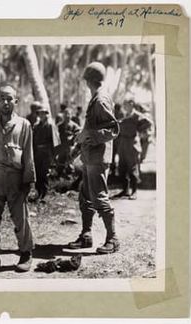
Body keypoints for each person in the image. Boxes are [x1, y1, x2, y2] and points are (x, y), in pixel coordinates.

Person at [0, 84, 36, 272]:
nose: (6, 102)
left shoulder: (24, 125)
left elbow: (28, 154)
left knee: (21, 218)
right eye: (2, 98)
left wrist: (28, 180)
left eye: (9, 98)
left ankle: (26, 254)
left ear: (16, 102)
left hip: (15, 178)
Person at [67, 62, 120, 254]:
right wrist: (78, 146)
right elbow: (91, 129)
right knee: (86, 197)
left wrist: (88, 137)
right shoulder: (96, 98)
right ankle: (86, 235)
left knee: (99, 198)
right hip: (91, 156)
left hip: (98, 157)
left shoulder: (100, 100)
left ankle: (113, 239)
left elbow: (112, 130)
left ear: (88, 80)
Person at [113, 96, 153, 200]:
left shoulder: (136, 115)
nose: (124, 106)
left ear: (131, 104)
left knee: (133, 169)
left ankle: (134, 191)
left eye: (126, 104)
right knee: (122, 168)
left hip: (132, 144)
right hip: (123, 144)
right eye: (124, 104)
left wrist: (141, 131)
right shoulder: (125, 115)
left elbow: (149, 122)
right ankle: (125, 190)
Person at [32, 105, 60, 202]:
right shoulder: (36, 126)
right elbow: (33, 141)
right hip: (37, 154)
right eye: (40, 113)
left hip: (46, 154)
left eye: (43, 113)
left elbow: (55, 142)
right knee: (38, 174)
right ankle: (38, 193)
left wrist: (53, 156)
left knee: (45, 174)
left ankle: (45, 195)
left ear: (46, 115)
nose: (41, 115)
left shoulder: (50, 126)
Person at [56, 108, 81, 177]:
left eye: (69, 114)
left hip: (70, 147)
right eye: (65, 114)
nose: (67, 116)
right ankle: (59, 176)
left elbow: (78, 133)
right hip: (61, 147)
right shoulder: (60, 125)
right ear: (63, 115)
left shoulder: (74, 125)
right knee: (60, 162)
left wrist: (73, 137)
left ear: (71, 115)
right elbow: (55, 134)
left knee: (69, 162)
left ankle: (69, 176)